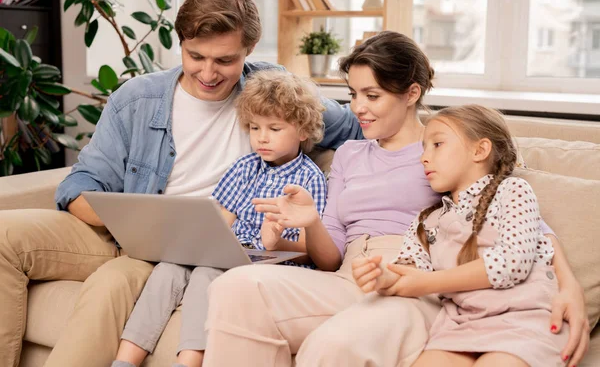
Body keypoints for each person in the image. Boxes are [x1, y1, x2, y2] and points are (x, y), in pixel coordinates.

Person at [0, 0, 360, 367]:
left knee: (114, 282)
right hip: (124, 233)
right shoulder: (138, 98)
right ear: (181, 42)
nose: (208, 72)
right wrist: (136, 228)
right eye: (195, 55)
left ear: (248, 50)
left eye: (224, 60)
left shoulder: (271, 90)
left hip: (207, 248)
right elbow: (81, 183)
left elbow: (357, 125)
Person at [202, 31, 589, 367]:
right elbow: (332, 255)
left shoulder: (442, 148)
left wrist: (570, 287)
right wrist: (310, 223)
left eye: (372, 95)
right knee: (234, 287)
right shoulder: (350, 154)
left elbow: (516, 215)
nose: (357, 108)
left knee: (334, 344)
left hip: (414, 281)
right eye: (353, 94)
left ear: (411, 93)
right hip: (347, 276)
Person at [111, 70, 327, 367]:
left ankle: (189, 361)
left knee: (205, 274)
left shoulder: (308, 178)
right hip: (228, 251)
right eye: (254, 128)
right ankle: (124, 361)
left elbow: (310, 248)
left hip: (273, 262)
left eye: (274, 129)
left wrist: (274, 241)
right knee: (167, 268)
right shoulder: (244, 167)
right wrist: (192, 242)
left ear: (302, 131)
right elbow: (221, 219)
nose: (262, 138)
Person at [353, 104, 569, 366]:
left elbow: (514, 262)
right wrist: (383, 276)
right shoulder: (427, 220)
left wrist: (427, 283)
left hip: (524, 320)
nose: (423, 157)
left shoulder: (513, 190)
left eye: (437, 144)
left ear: (480, 150)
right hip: (460, 325)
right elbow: (409, 270)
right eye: (424, 148)